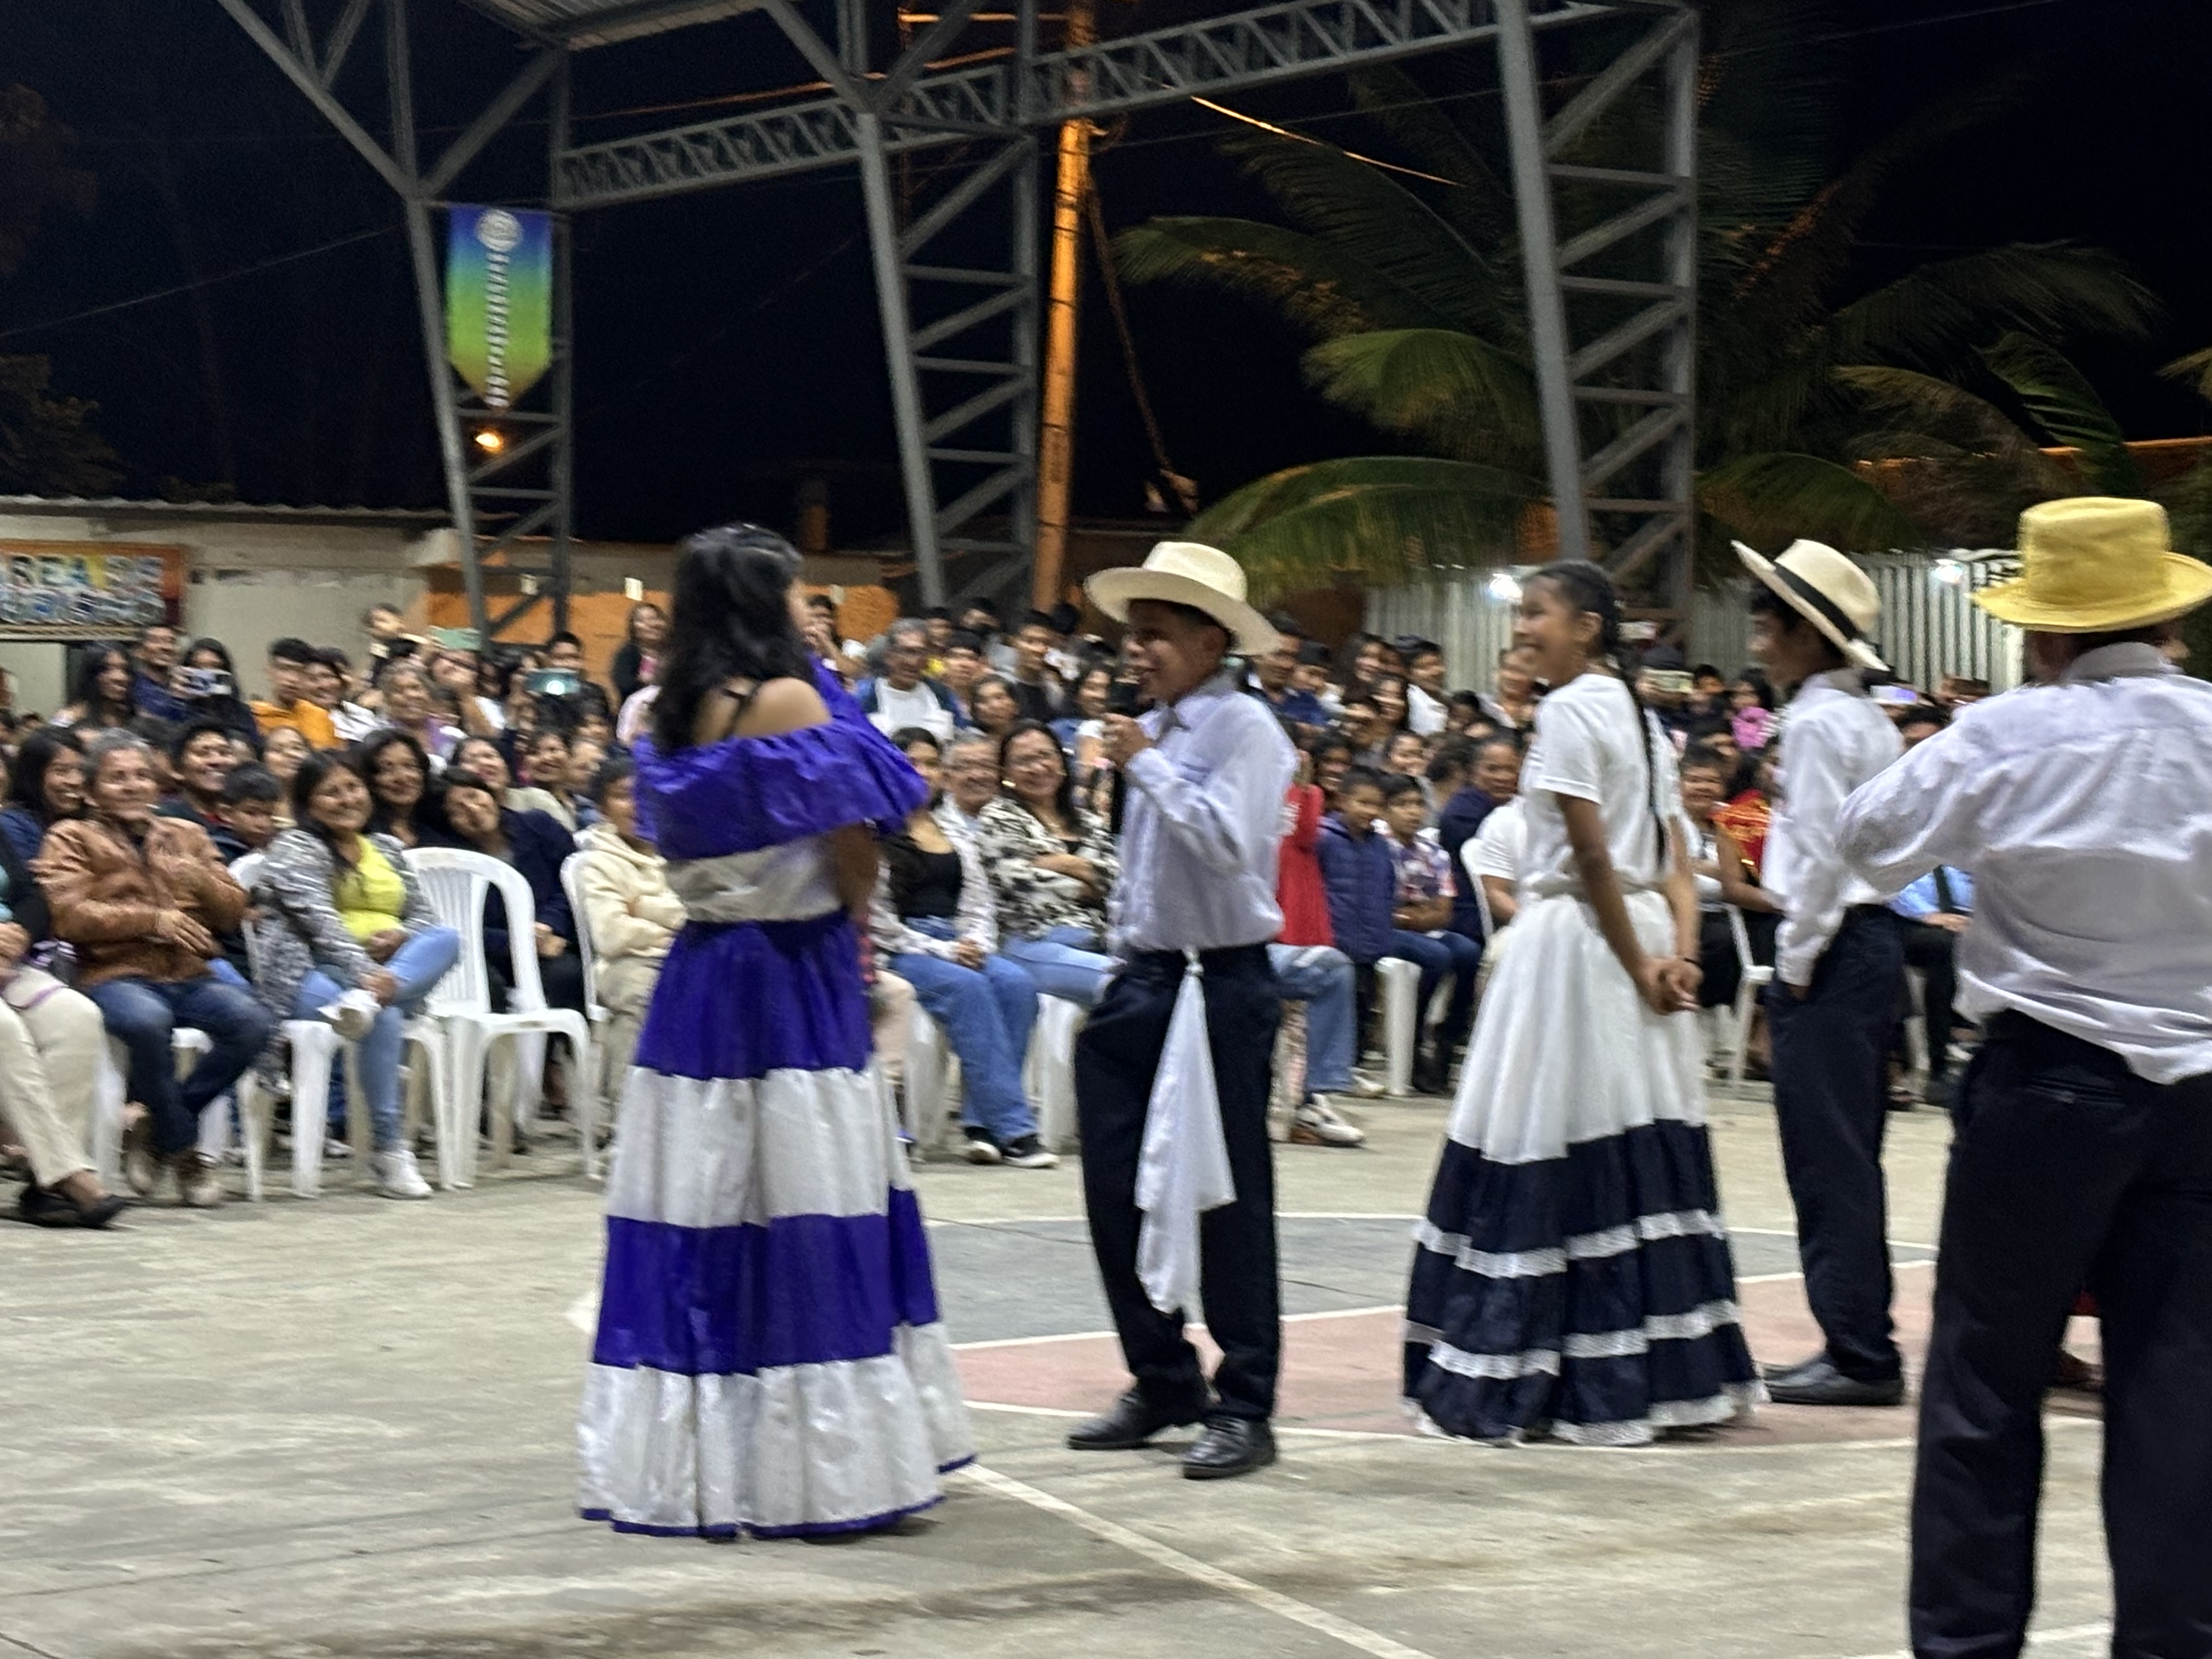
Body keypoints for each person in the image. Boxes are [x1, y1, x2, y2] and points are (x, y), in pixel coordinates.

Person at [1835, 496, 2212, 1659]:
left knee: (1985, 1383)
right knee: (2180, 1387)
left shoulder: (2004, 733)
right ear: (2167, 621)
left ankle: (1968, 1645)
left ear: (2044, 631)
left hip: (2044, 1081)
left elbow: (1865, 841)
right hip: (2202, 1091)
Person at [578, 524, 974, 1538]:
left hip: (703, 973)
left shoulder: (662, 712)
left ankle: (706, 1458)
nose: (811, 609)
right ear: (765, 606)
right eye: (798, 594)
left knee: (706, 1203)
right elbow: (857, 842)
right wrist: (852, 928)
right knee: (810, 1205)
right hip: (792, 972)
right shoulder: (791, 700)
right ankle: (818, 1467)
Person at [1402, 561, 1760, 1446]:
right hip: (1639, 937)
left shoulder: (1567, 711)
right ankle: (1658, 1367)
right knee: (1632, 1137)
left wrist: (1640, 963)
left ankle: (1552, 1363)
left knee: (1541, 1133)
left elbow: (1593, 855)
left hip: (1580, 945)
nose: (1521, 627)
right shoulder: (1639, 716)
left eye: (1536, 612)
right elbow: (1675, 859)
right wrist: (1677, 955)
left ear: (1589, 626)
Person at [1066, 541, 1297, 1481]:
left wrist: (1152, 767)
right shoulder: (1154, 729)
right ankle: (1162, 1375)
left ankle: (1246, 1400)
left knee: (1228, 1196)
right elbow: (1145, 874)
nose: (1138, 649)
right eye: (1134, 633)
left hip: (1220, 981)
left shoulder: (1246, 728)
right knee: (1113, 1184)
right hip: (1148, 977)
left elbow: (1231, 846)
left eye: (1156, 633)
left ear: (1211, 642)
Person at [1739, 537, 1908, 1409]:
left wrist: (1796, 966)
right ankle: (1858, 1338)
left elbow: (1810, 860)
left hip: (1833, 951)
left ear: (1806, 634)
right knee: (1852, 1154)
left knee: (1826, 1159)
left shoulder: (1812, 722)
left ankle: (1859, 1351)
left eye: (1768, 626)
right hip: (1873, 941)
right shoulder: (1867, 717)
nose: (1758, 641)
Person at [37, 732, 274, 1209]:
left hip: (188, 972)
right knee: (148, 1021)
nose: (132, 786)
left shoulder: (187, 834)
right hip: (113, 973)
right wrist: (152, 920)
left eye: (141, 776)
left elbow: (233, 914)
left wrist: (201, 880)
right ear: (92, 791)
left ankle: (157, 1125)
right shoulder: (70, 837)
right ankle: (185, 1153)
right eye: (117, 778)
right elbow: (68, 914)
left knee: (254, 1023)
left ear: (156, 784)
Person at [249, 752, 462, 1199]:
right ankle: (390, 1150)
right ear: (308, 803)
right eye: (332, 792)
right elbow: (321, 926)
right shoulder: (294, 848)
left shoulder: (386, 848)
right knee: (382, 1014)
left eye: (353, 788)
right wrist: (369, 977)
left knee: (446, 938)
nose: (347, 799)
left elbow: (423, 916)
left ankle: (373, 1000)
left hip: (378, 980)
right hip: (311, 974)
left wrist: (402, 936)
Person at [871, 729, 1054, 1168]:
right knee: (967, 989)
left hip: (958, 938)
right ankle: (1015, 1129)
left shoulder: (952, 829)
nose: (923, 773)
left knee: (1015, 984)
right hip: (903, 948)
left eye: (931, 764)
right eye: (912, 763)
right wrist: (947, 951)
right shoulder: (873, 832)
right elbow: (879, 922)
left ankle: (981, 1126)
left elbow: (979, 903)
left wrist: (976, 942)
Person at [0, 825, 126, 1228]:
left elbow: (31, 896)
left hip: (6, 965)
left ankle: (44, 1184)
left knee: (77, 1016)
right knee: (5, 1028)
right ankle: (68, 1176)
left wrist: (17, 933)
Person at [973, 720, 1118, 1008]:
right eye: (1024, 761)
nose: (1038, 768)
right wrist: (1092, 885)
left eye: (1045, 756)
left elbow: (1120, 881)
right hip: (1035, 942)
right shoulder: (998, 817)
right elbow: (1024, 886)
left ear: (1062, 762)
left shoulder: (1089, 822)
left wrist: (1068, 864)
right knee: (1126, 985)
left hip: (1102, 938)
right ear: (1006, 773)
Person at [437, 769, 587, 1018]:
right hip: (495, 954)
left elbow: (574, 882)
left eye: (474, 796)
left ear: (490, 794)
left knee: (566, 975)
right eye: (457, 810)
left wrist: (549, 924)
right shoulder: (452, 861)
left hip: (554, 940)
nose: (473, 809)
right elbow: (458, 925)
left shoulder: (538, 825)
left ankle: (560, 1044)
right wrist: (520, 941)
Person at [573, 756, 682, 1097]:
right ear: (603, 809)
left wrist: (645, 907)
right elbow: (612, 934)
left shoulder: (682, 850)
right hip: (628, 964)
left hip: (686, 956)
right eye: (624, 796)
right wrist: (675, 932)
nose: (638, 804)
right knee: (645, 994)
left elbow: (703, 911)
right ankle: (626, 1110)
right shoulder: (599, 862)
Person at [1379, 772, 1482, 1093]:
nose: (1412, 812)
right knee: (1437, 956)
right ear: (1385, 810)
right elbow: (1381, 911)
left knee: (1468, 952)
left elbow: (1444, 911)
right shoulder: (1378, 847)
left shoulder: (1433, 852)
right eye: (1402, 804)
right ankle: (1413, 1040)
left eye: (1417, 804)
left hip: (1425, 930)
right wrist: (1418, 915)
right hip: (1383, 933)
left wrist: (1413, 915)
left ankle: (1446, 1041)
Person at [1889, 862, 1971, 1108]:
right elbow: (1893, 886)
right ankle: (1939, 1064)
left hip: (1969, 919)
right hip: (1913, 918)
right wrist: (1927, 915)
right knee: (1945, 947)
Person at [859, 618, 962, 743]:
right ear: (888, 655)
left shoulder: (941, 694)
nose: (912, 662)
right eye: (906, 652)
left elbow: (961, 734)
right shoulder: (864, 696)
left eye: (921, 653)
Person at [1, 727, 86, 863]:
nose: (76, 781)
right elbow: (34, 875)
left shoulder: (87, 821)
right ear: (34, 776)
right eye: (61, 771)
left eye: (82, 770)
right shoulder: (11, 825)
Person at [450, 735, 567, 826]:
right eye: (471, 760)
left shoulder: (536, 799)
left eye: (490, 756)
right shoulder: (460, 817)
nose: (484, 763)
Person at [250, 638, 339, 749]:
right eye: (285, 669)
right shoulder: (253, 716)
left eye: (300, 671)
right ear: (270, 672)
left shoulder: (322, 718)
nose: (292, 679)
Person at [358, 730, 437, 850]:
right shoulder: (360, 833)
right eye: (386, 769)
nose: (402, 778)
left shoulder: (436, 832)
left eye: (410, 766)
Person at [158, 720, 237, 834]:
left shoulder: (247, 820)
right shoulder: (165, 821)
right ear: (176, 769)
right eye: (203, 753)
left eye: (224, 753)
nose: (217, 761)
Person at [55, 644, 136, 733]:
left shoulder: (135, 719)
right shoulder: (67, 718)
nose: (120, 677)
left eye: (124, 670)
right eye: (107, 669)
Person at [1007, 612, 1068, 724]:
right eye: (1030, 641)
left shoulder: (1053, 692)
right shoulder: (1002, 683)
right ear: (1015, 642)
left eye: (1045, 643)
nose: (1039, 649)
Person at [939, 731, 1003, 828]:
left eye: (986, 766)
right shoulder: (932, 825)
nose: (977, 775)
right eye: (965, 767)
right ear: (946, 778)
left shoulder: (1019, 819)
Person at [609, 601, 667, 704]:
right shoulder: (628, 655)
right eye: (643, 621)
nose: (652, 624)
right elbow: (625, 686)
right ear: (634, 628)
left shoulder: (675, 653)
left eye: (655, 619)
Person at [1480, 644, 1538, 733]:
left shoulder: (1544, 710)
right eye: (1510, 669)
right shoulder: (1480, 706)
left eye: (1521, 672)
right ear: (1498, 672)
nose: (1513, 677)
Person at [1403, 640, 1449, 735]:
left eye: (1437, 664)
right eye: (1424, 668)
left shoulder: (1448, 699)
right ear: (1409, 673)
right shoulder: (1411, 699)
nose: (1435, 672)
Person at [968, 673, 1021, 743]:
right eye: (983, 701)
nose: (994, 706)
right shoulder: (970, 742)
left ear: (1015, 704)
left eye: (999, 698)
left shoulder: (1031, 736)